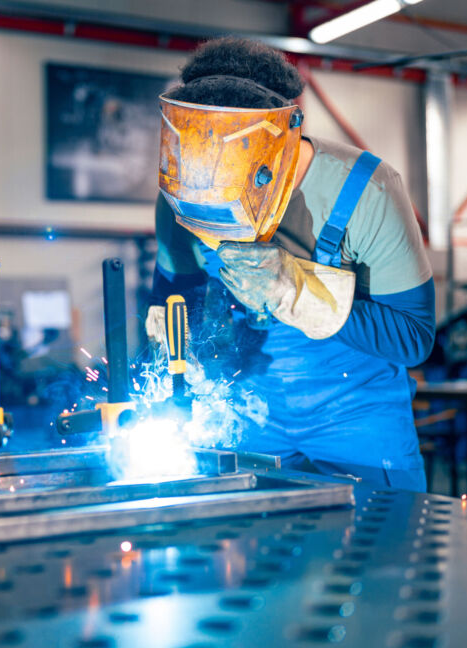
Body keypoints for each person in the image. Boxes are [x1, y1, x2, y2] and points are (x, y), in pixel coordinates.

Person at [148, 38, 435, 491]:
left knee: (383, 535)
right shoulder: (180, 197)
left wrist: (294, 290)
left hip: (357, 420)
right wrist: (176, 359)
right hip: (247, 415)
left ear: (284, 139)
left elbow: (413, 338)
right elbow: (173, 299)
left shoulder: (368, 191)